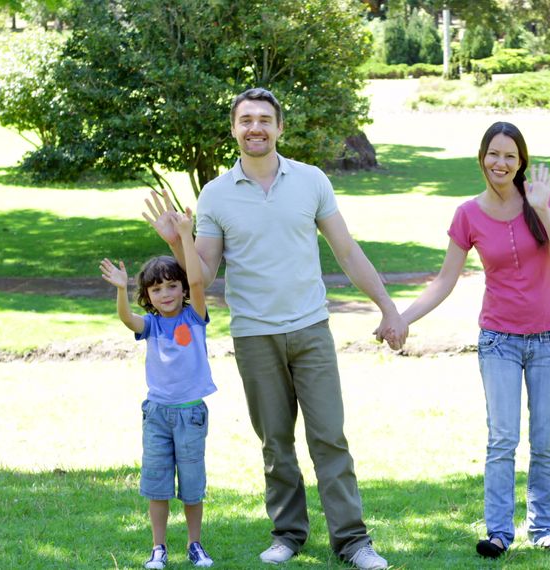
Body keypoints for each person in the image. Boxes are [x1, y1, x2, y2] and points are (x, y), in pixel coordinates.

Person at [143, 87, 402, 570]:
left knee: (330, 438)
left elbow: (347, 251)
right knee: (276, 444)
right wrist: (178, 239)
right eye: (246, 120)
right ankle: (287, 534)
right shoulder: (217, 194)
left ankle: (353, 542)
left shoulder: (311, 181)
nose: (255, 127)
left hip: (311, 330)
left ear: (280, 128)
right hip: (254, 335)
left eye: (265, 119)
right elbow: (202, 274)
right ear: (234, 129)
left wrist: (387, 307)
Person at [376, 121, 550, 558]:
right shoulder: (467, 213)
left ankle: (542, 530)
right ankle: (500, 533)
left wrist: (543, 208)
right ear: (481, 158)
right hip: (499, 341)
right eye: (493, 154)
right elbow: (445, 281)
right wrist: (400, 317)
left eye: (509, 155)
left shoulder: (539, 201)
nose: (500, 163)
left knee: (545, 440)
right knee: (502, 438)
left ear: (521, 161)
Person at [99, 208, 218, 569]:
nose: (166, 293)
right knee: (157, 484)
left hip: (191, 413)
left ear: (182, 289)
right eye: (156, 289)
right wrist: (121, 290)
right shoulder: (150, 324)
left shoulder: (194, 315)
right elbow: (126, 319)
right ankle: (159, 548)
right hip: (157, 415)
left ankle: (195, 545)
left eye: (172, 285)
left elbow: (198, 282)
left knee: (192, 485)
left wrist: (185, 234)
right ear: (147, 297)